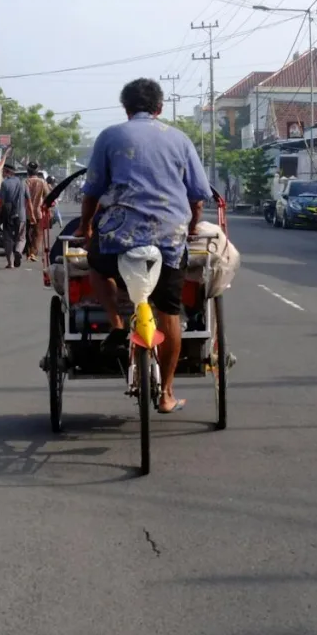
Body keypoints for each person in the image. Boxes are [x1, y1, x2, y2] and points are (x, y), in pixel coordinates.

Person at [78, 78, 211, 414]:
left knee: (95, 262)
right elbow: (197, 196)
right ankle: (166, 394)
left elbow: (92, 191)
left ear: (126, 109)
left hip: (118, 240)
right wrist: (192, 228)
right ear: (159, 108)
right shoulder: (179, 139)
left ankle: (118, 325)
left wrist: (85, 228)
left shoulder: (110, 136)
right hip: (168, 240)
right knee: (169, 314)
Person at [0, 163, 28, 270]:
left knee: (8, 239)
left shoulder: (5, 184)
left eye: (3, 171)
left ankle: (10, 263)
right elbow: (29, 201)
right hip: (21, 215)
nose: (2, 173)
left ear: (7, 171)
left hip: (8, 214)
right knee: (21, 237)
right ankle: (18, 251)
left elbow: (1, 201)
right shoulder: (23, 183)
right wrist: (30, 214)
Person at [24, 162, 49, 261]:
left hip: (25, 212)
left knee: (26, 233)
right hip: (38, 211)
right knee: (38, 233)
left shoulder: (25, 182)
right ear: (37, 171)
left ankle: (28, 251)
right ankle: (33, 253)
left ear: (28, 171)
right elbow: (47, 195)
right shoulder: (42, 182)